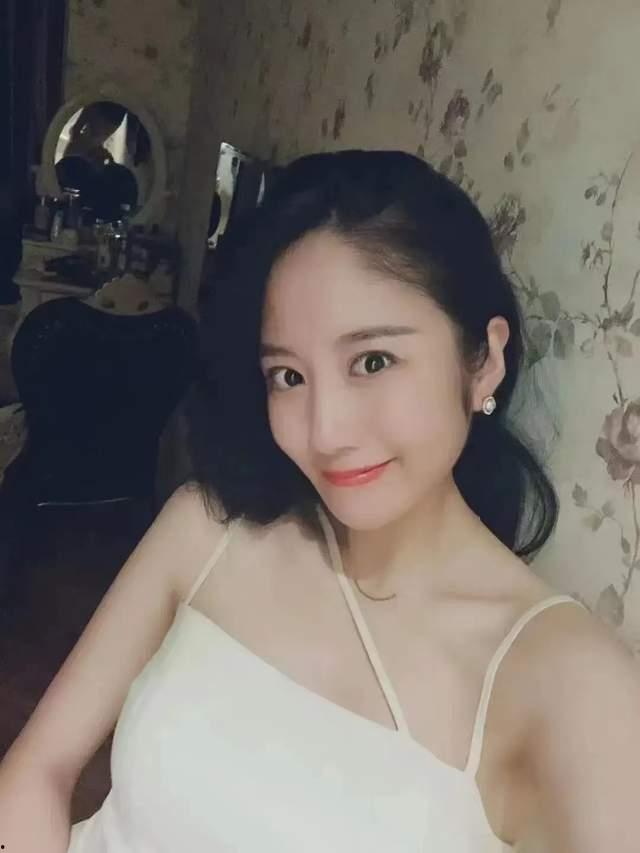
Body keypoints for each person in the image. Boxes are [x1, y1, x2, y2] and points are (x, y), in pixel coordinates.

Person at [1, 150, 639, 852]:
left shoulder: (567, 682)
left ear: (484, 360)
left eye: (373, 361)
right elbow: (39, 769)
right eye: (288, 375)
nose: (325, 431)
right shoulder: (208, 528)